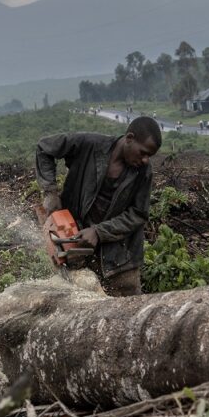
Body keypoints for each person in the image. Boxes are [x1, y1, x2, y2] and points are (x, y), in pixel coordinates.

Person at [36, 117, 162, 296]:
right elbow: (44, 148)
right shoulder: (89, 145)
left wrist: (99, 232)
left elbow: (138, 214)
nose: (145, 160)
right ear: (129, 138)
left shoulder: (143, 172)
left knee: (126, 311)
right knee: (77, 305)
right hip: (76, 247)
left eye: (149, 156)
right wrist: (50, 192)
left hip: (119, 260)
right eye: (143, 153)